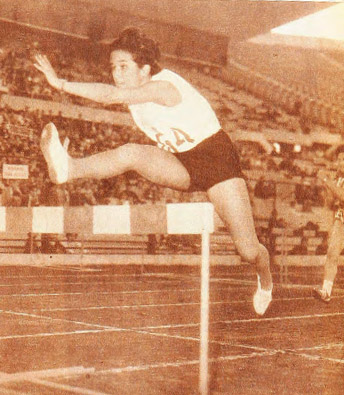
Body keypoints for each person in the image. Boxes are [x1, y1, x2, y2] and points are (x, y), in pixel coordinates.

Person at [34, 27, 273, 315]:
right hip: (181, 162)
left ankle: (266, 280)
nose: (117, 74)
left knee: (248, 251)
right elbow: (200, 119)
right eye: (113, 68)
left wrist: (60, 83)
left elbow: (110, 96)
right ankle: (69, 168)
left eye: (124, 67)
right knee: (131, 153)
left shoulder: (163, 87)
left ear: (145, 68)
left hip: (218, 164)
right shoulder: (137, 97)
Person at [313, 156, 344, 303]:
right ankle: (326, 291)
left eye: (342, 160)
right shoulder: (339, 179)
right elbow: (331, 203)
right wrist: (327, 186)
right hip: (341, 216)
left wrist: (327, 181)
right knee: (332, 253)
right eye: (337, 160)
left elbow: (343, 196)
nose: (338, 163)